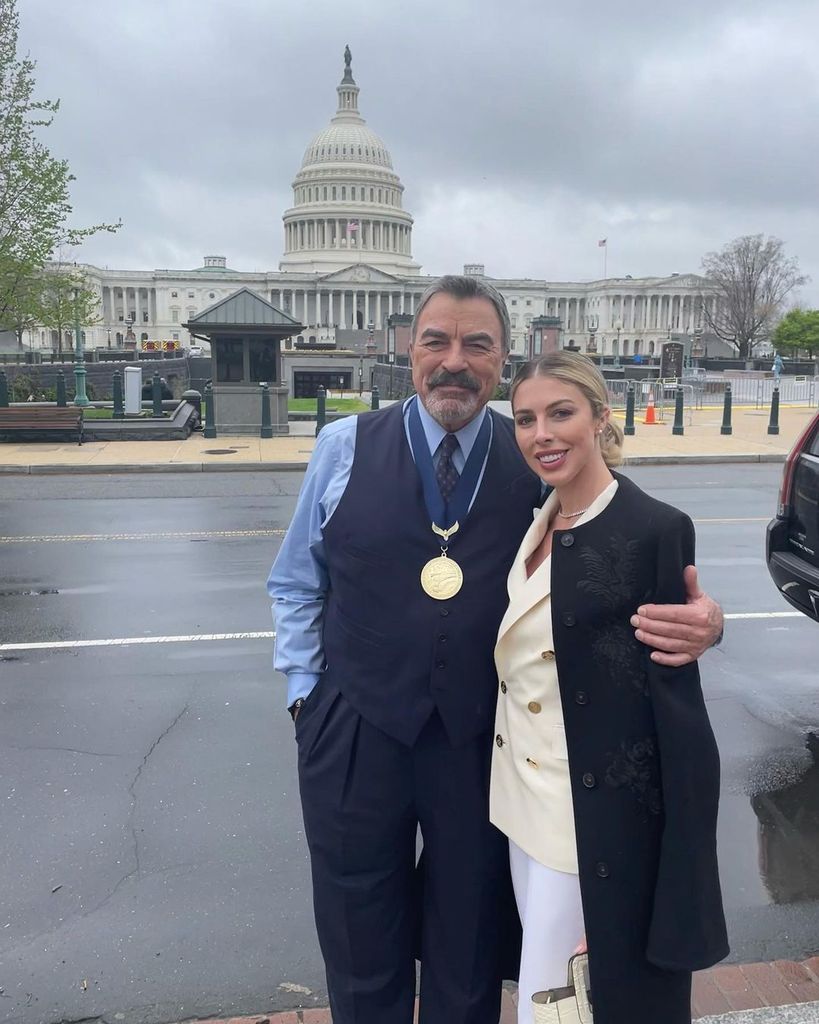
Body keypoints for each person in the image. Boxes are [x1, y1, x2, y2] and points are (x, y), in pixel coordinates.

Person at [267, 275, 724, 1024]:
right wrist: (304, 696)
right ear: (407, 350)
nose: (454, 361)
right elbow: (294, 582)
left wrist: (707, 620)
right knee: (358, 933)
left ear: (503, 357)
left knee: (467, 939)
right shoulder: (342, 446)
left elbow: (630, 541)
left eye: (476, 344)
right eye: (436, 341)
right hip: (353, 729)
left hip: (474, 740)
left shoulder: (537, 458)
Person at [490, 351, 728, 1024]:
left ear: (600, 416)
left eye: (560, 413)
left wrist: (653, 876)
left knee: (556, 1004)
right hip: (517, 807)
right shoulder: (537, 521)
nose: (542, 434)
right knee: (554, 997)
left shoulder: (651, 528)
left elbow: (674, 705)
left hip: (586, 823)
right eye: (526, 419)